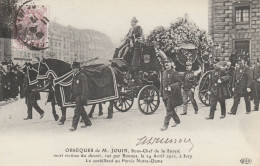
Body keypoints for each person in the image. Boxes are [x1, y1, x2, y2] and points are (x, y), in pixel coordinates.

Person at [160, 58, 183, 131]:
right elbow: (162, 84)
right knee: (170, 109)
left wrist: (171, 87)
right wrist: (161, 93)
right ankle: (177, 121)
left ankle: (165, 125)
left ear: (171, 63)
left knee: (169, 110)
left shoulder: (174, 73)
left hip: (171, 94)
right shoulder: (164, 73)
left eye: (168, 62)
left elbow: (179, 83)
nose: (166, 64)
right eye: (165, 63)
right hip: (165, 94)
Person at [69, 62, 92, 131]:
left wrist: (83, 98)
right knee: (81, 110)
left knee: (77, 111)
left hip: (80, 96)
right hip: (76, 96)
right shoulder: (75, 76)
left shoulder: (82, 76)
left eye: (74, 68)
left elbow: (85, 88)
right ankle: (88, 122)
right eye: (72, 68)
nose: (72, 70)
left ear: (77, 68)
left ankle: (74, 126)